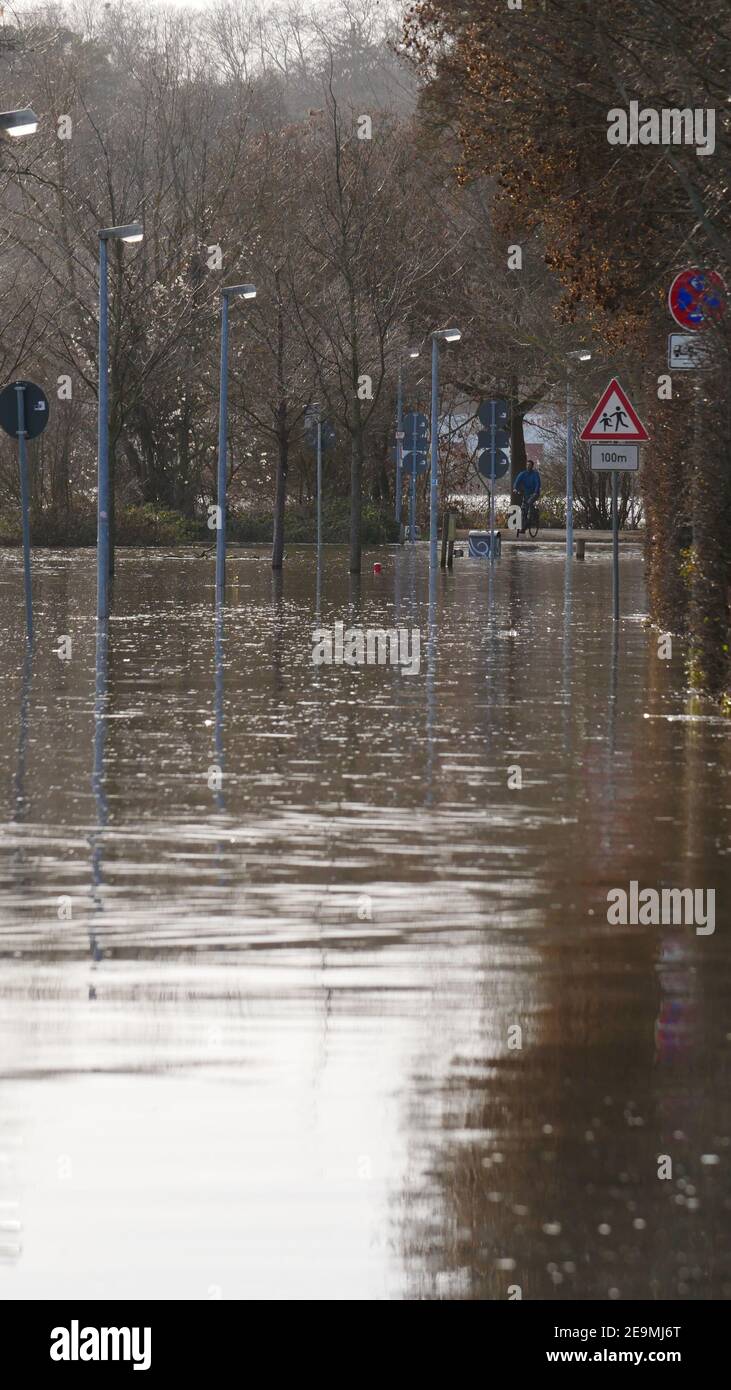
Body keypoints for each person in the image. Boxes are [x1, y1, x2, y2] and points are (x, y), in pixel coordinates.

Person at [513, 459, 541, 536]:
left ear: (532, 466)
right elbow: (517, 481)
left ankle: (532, 516)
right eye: (527, 465)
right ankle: (524, 526)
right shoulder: (523, 474)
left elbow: (537, 483)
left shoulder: (535, 474)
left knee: (529, 503)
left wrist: (535, 492)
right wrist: (515, 488)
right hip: (526, 493)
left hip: (534, 493)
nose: (528, 466)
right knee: (523, 508)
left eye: (530, 465)